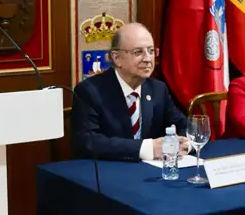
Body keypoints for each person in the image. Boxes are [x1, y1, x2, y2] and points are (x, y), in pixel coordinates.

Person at [72, 23, 188, 161]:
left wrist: (183, 143)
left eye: (151, 51)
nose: (148, 59)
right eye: (138, 52)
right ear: (117, 58)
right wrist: (147, 148)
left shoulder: (157, 89)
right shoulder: (89, 91)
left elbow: (182, 124)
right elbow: (88, 142)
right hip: (110, 174)